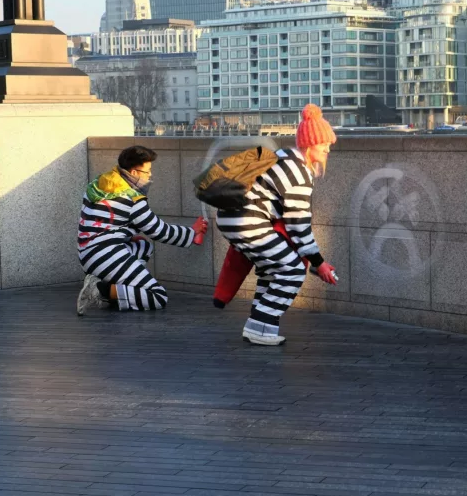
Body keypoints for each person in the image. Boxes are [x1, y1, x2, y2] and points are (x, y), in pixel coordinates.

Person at [215, 104, 338, 346]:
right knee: (291, 271)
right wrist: (318, 263)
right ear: (310, 144)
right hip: (248, 222)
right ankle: (259, 327)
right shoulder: (299, 173)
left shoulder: (282, 157)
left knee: (272, 270)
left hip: (232, 218)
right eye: (324, 144)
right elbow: (298, 224)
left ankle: (260, 326)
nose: (327, 149)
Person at [77, 145, 208, 315]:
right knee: (157, 296)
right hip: (106, 256)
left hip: (87, 253)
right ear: (135, 172)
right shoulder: (132, 198)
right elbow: (158, 230)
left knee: (143, 246)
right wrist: (191, 233)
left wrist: (123, 235)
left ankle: (113, 292)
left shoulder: (98, 184)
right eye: (147, 172)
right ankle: (100, 291)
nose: (150, 175)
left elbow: (102, 222)